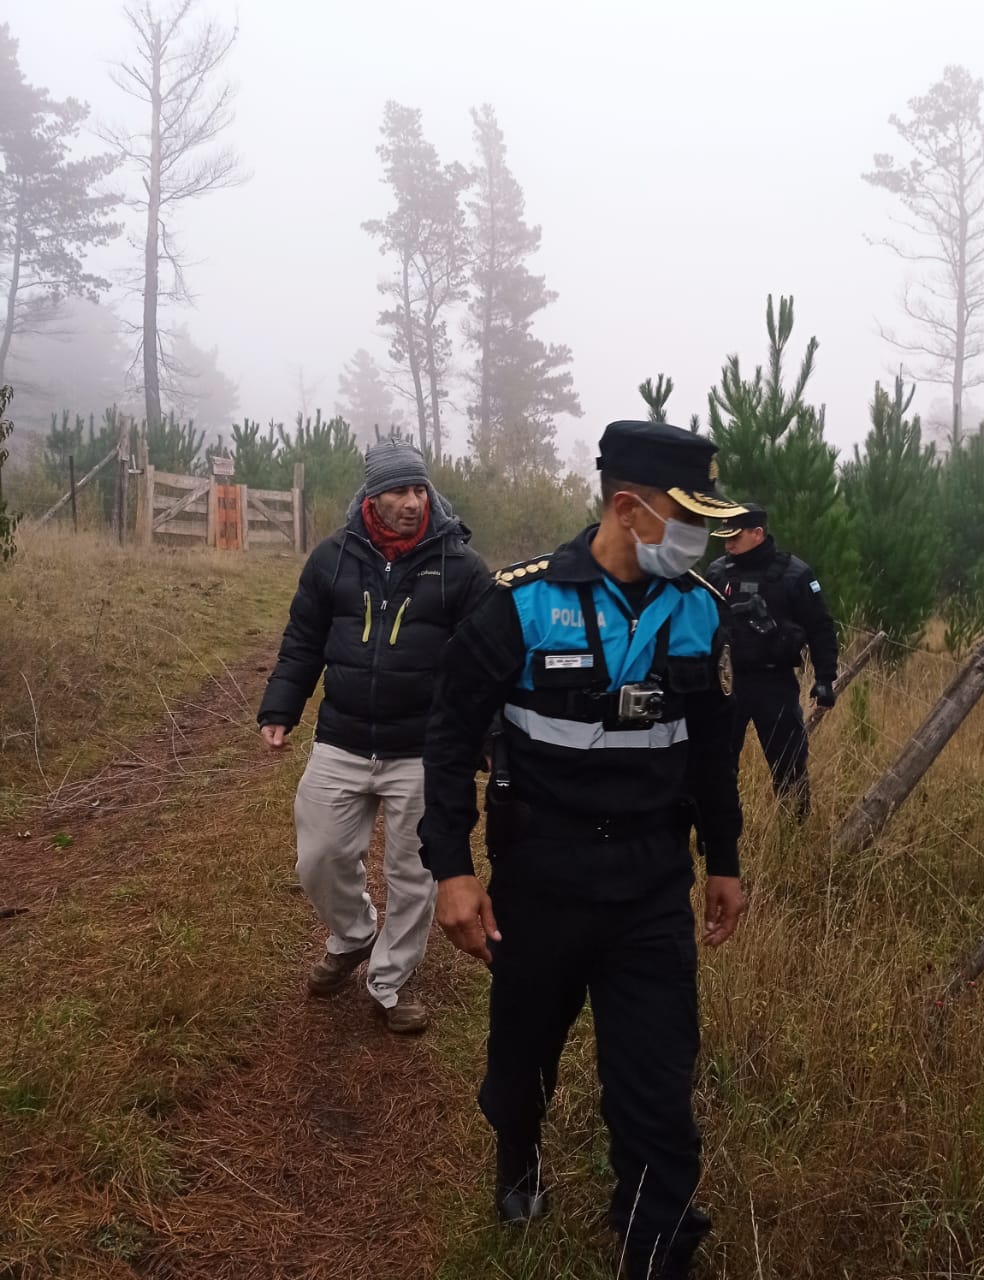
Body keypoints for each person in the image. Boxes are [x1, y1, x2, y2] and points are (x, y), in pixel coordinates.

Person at [419, 420, 747, 1279]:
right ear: (628, 509)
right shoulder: (520, 604)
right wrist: (452, 869)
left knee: (656, 1091)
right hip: (542, 882)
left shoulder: (700, 611)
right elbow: (448, 739)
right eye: (688, 518)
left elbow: (713, 752)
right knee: (521, 1065)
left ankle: (655, 1249)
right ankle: (518, 1151)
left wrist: (724, 858)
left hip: (650, 888)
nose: (700, 537)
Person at [258, 437, 489, 1033]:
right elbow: (303, 640)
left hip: (423, 750)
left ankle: (389, 979)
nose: (412, 502)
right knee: (320, 856)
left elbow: (484, 662)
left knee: (416, 872)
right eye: (398, 491)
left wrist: (486, 737)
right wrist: (281, 706)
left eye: (419, 489)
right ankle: (355, 933)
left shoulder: (461, 566)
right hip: (342, 737)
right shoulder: (333, 558)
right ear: (372, 495)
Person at [706, 503, 839, 819]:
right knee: (717, 765)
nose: (728, 545)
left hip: (775, 685)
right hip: (728, 683)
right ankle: (719, 832)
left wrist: (824, 679)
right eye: (725, 538)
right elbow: (701, 627)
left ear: (757, 533)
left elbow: (820, 627)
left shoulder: (794, 574)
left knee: (790, 766)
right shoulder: (717, 573)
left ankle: (793, 834)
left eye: (735, 537)